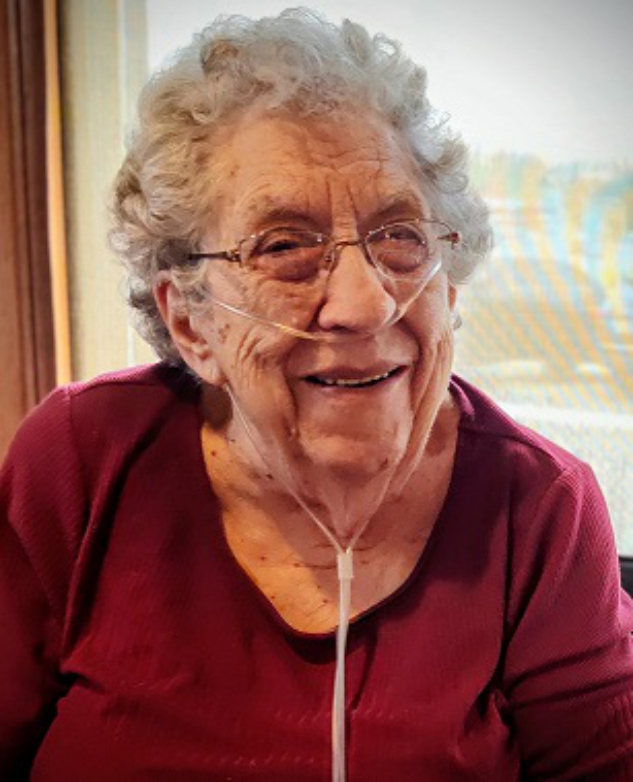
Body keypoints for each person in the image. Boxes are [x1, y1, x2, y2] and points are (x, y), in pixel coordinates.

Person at [1, 8, 631, 781]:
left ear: (449, 283)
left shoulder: (537, 507)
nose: (365, 305)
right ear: (190, 321)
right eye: (284, 245)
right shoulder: (81, 461)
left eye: (400, 236)